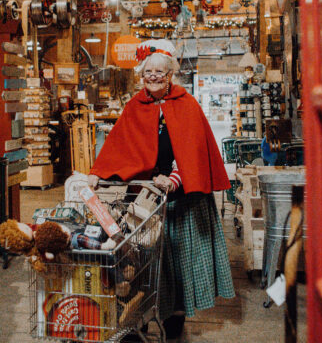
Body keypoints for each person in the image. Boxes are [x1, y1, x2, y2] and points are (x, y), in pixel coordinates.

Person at [88, 39, 234, 341]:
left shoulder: (187, 104)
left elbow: (192, 151)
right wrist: (96, 173)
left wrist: (174, 179)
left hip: (182, 200)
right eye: (148, 72)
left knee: (179, 264)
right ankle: (140, 315)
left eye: (160, 72)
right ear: (141, 75)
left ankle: (175, 321)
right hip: (145, 202)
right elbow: (118, 146)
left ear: (171, 76)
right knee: (142, 263)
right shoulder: (134, 106)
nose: (153, 77)